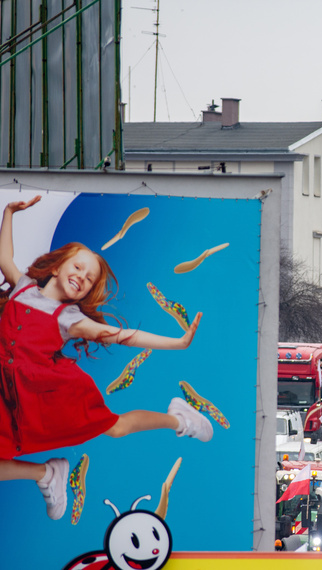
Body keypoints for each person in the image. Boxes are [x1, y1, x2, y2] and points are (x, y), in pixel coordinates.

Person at [0, 196, 212, 521]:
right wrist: (9, 213)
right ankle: (46, 474)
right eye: (78, 267)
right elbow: (5, 257)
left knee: (116, 428)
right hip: (8, 393)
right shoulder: (22, 289)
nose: (81, 278)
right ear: (56, 267)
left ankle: (181, 420)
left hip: (45, 392)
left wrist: (178, 342)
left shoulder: (69, 318)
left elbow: (124, 336)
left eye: (88, 280)